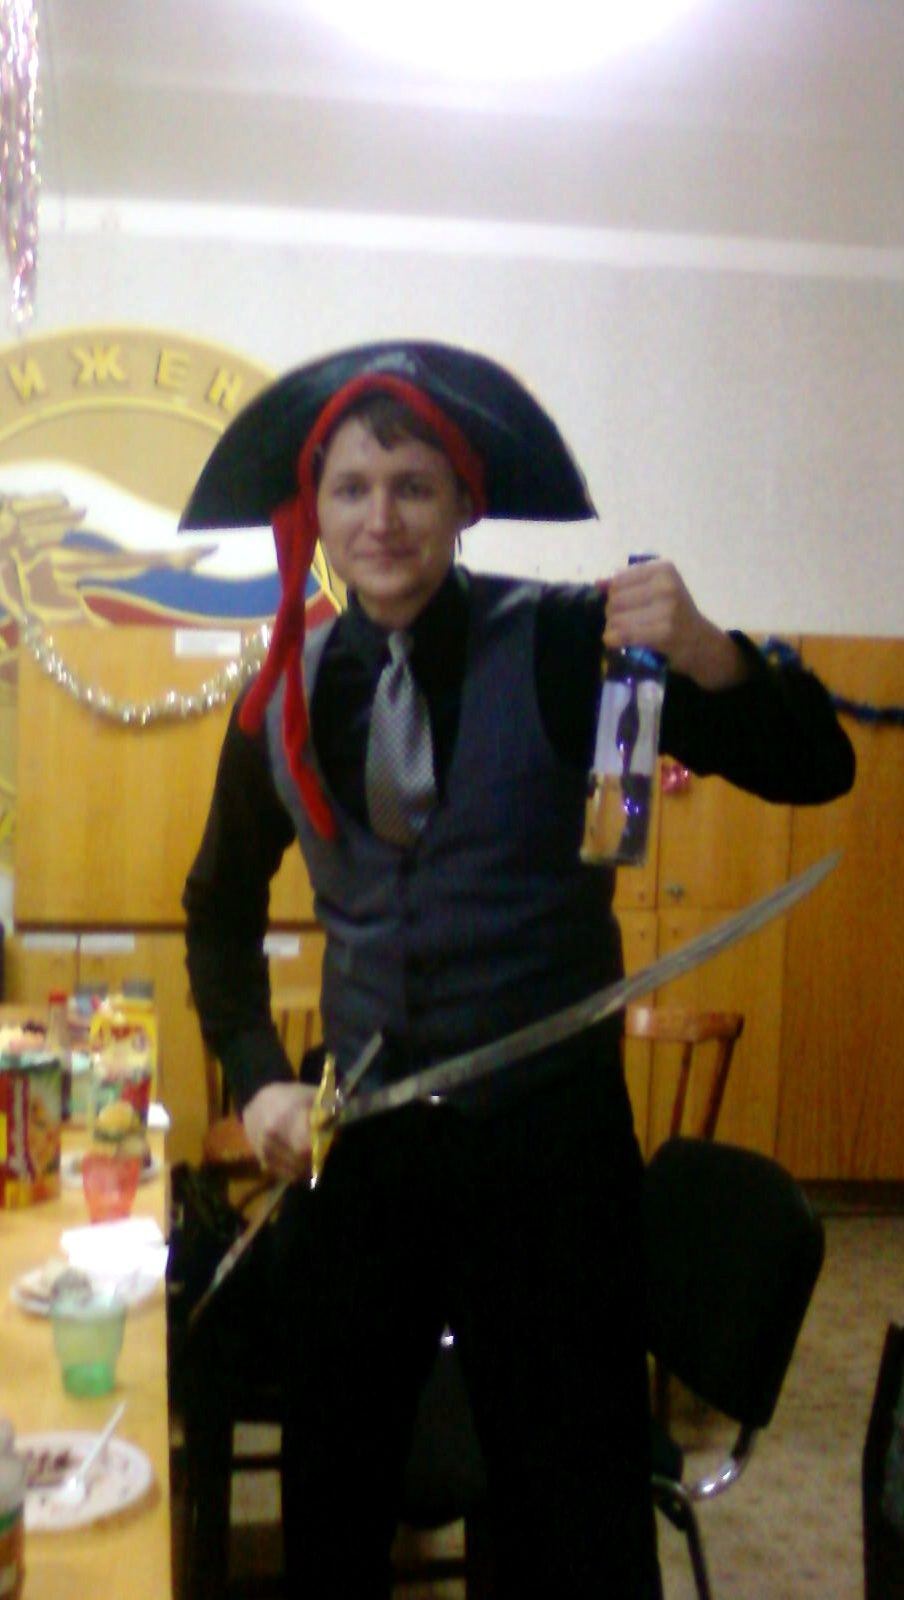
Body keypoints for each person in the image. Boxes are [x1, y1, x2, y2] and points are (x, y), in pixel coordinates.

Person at [182, 340, 855, 1598]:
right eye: (351, 487)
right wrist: (260, 1074)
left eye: (413, 485)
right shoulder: (280, 693)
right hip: (364, 1138)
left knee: (573, 1507)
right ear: (314, 511)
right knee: (334, 1487)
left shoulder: (564, 644)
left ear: (463, 503)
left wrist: (709, 651)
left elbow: (817, 765)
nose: (381, 517)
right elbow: (216, 913)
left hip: (550, 1148)